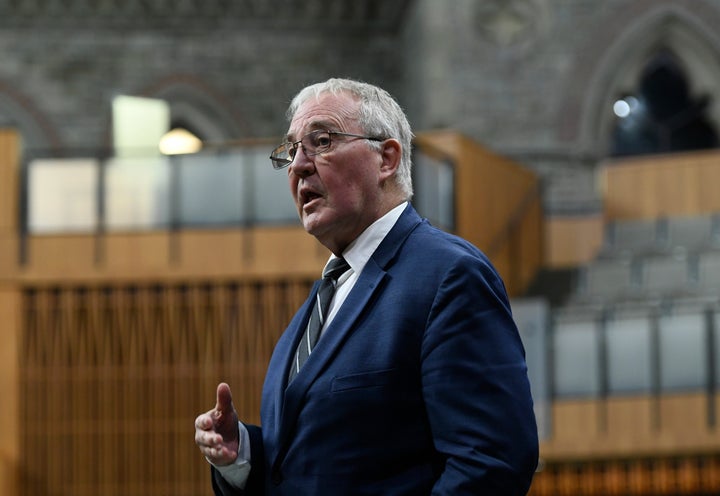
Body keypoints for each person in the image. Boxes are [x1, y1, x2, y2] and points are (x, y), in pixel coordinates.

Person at [194, 77, 539, 495]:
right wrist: (244, 456)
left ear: (386, 159)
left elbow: (491, 463)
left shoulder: (448, 276)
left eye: (321, 141)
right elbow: (320, 465)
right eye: (292, 150)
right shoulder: (324, 297)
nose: (299, 165)